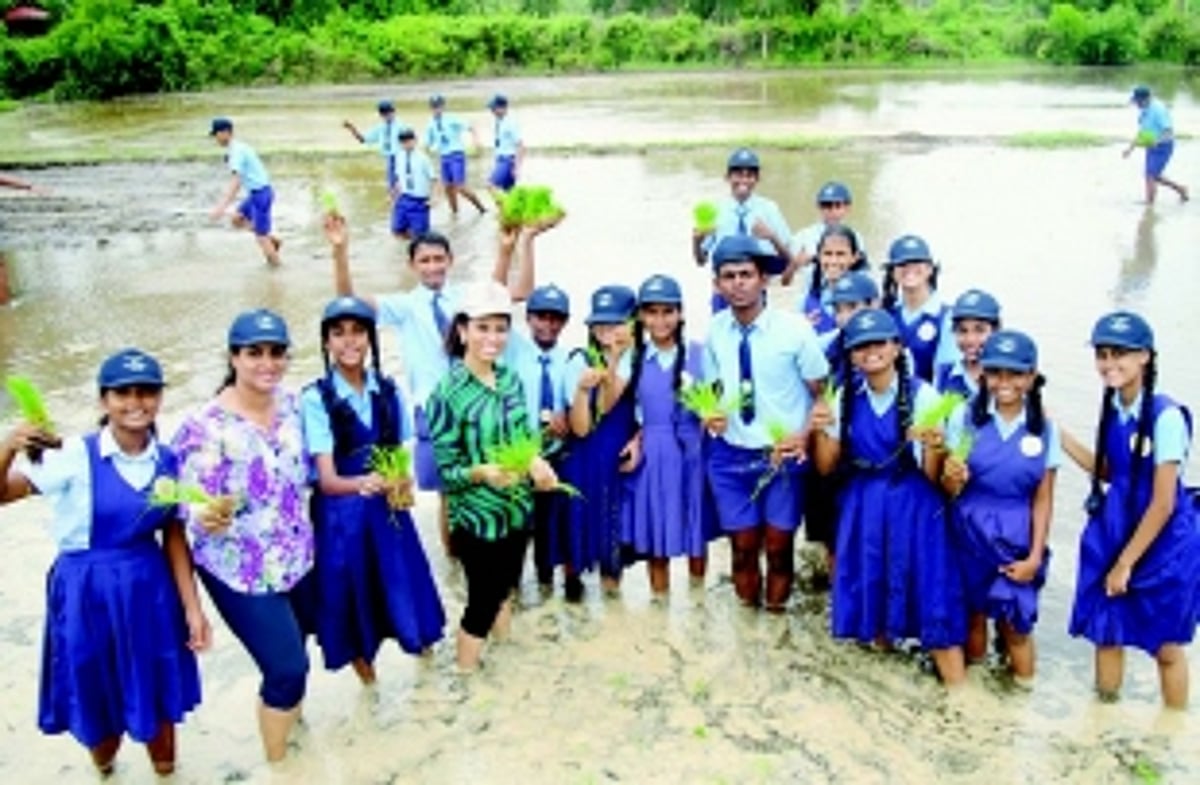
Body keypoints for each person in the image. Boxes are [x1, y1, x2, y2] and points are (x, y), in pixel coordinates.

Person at [0, 349, 208, 776]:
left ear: (160, 398)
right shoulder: (74, 455)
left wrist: (192, 608)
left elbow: (173, 533)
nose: (136, 402)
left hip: (149, 591)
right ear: (103, 400)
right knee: (97, 699)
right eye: (123, 393)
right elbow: (3, 494)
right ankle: (106, 771)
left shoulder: (168, 460)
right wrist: (8, 447)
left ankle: (167, 773)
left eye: (147, 392)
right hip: (84, 593)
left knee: (157, 699)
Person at [327, 214, 525, 557]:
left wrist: (505, 251)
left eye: (438, 259)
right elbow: (350, 304)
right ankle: (456, 564)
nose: (433, 266)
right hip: (433, 409)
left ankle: (494, 553)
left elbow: (496, 297)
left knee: (493, 477)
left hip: (477, 401)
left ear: (451, 260)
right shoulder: (404, 306)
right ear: (412, 265)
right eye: (425, 260)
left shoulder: (464, 296)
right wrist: (341, 252)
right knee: (450, 489)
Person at [172, 309, 316, 762]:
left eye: (276, 353)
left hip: (297, 558)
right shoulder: (203, 427)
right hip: (241, 570)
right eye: (254, 353)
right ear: (234, 356)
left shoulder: (295, 406)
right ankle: (280, 765)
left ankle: (292, 723)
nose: (266, 363)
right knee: (287, 669)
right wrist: (202, 515)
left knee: (299, 647)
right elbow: (179, 507)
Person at [811, 308, 967, 686]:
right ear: (850, 355)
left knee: (931, 592)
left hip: (913, 502)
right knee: (874, 586)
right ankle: (887, 680)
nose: (870, 352)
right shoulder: (844, 397)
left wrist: (936, 446)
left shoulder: (924, 395)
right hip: (863, 503)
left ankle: (959, 695)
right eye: (860, 347)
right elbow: (826, 467)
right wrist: (821, 428)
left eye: (879, 343)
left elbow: (932, 476)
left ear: (897, 347)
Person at [301, 296, 445, 685]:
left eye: (358, 331)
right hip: (340, 519)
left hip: (387, 510)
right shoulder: (316, 398)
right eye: (338, 333)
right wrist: (365, 483)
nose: (349, 341)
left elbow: (399, 452)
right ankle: (370, 686)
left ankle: (427, 674)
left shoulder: (389, 391)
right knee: (354, 597)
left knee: (407, 585)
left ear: (371, 338)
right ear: (326, 342)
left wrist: (402, 480)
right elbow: (327, 480)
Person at [1060, 311, 1200, 708]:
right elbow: (1113, 472)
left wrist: (1126, 563)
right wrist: (1061, 437)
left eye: (1120, 354)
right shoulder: (1115, 407)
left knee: (1166, 645)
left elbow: (1163, 501)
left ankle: (1170, 732)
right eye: (1102, 354)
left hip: (1164, 538)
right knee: (1107, 632)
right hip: (1116, 526)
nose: (1109, 363)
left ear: (1146, 357)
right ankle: (1104, 722)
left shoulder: (1165, 416)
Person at [425, 280, 559, 671]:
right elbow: (446, 473)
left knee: (506, 588)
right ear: (463, 330)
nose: (493, 337)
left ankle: (502, 659)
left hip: (516, 508)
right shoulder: (446, 394)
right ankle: (466, 678)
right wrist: (481, 473)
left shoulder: (511, 381)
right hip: (476, 518)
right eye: (483, 327)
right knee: (482, 600)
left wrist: (537, 462)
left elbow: (525, 439)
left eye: (500, 328)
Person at [702, 235, 829, 612]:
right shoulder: (713, 331)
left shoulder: (795, 330)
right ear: (717, 284)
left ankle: (774, 624)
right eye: (728, 276)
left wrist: (805, 436)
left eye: (746, 274)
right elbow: (711, 389)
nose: (738, 283)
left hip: (781, 457)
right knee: (741, 548)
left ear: (763, 280)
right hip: (730, 457)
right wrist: (708, 413)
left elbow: (822, 392)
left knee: (778, 547)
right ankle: (748, 629)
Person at [942, 330, 1056, 686]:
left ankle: (1022, 697)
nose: (1004, 382)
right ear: (983, 374)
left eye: (1015, 374)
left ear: (1031, 377)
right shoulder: (964, 417)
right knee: (973, 616)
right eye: (995, 373)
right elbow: (949, 487)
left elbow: (1043, 498)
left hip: (1017, 535)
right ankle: (978, 702)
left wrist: (1035, 556)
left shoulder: (1045, 428)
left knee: (1016, 623)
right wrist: (952, 476)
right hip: (968, 530)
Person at [619, 274, 712, 597]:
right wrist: (635, 439)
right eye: (652, 312)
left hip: (692, 451)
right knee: (657, 532)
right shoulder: (634, 359)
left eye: (667, 311)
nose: (660, 320)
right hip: (652, 451)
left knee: (694, 530)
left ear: (681, 313)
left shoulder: (700, 354)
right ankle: (660, 606)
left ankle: (698, 604)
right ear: (641, 316)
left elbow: (714, 404)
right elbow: (630, 413)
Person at [490, 222, 572, 590]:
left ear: (565, 322)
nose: (548, 324)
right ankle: (509, 592)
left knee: (548, 526)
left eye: (556, 318)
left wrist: (567, 417)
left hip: (555, 453)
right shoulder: (512, 348)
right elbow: (493, 298)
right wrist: (522, 243)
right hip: (516, 454)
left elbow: (579, 404)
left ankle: (546, 588)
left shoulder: (572, 357)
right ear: (528, 317)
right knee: (515, 528)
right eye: (541, 316)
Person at [561, 284, 639, 598]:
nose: (607, 330)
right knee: (578, 533)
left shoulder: (638, 359)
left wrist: (617, 360)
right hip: (585, 457)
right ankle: (571, 600)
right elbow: (581, 428)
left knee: (614, 539)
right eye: (600, 323)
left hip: (618, 456)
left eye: (616, 322)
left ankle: (612, 610)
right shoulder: (579, 361)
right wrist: (582, 390)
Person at [691, 148, 792, 311]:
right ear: (727, 177)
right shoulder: (715, 210)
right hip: (723, 292)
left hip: (756, 292)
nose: (743, 180)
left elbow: (789, 259)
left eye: (749, 175)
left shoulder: (769, 209)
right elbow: (700, 261)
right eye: (738, 174)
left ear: (757, 179)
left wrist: (772, 237)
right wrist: (696, 241)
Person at [880, 233, 956, 383]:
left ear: (929, 269)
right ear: (893, 272)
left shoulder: (947, 317)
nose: (909, 269)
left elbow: (945, 374)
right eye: (902, 264)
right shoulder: (886, 315)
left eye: (916, 262)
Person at [208, 117, 281, 266]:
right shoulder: (239, 147)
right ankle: (272, 239)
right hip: (257, 194)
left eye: (216, 134)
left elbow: (236, 182)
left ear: (226, 133)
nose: (215, 138)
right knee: (237, 219)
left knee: (261, 239)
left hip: (261, 195)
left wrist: (221, 208)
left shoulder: (237, 152)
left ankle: (277, 271)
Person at [785, 181, 863, 289]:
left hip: (845, 295)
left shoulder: (855, 237)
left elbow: (862, 275)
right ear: (818, 207)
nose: (832, 211)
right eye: (827, 206)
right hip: (811, 297)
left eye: (838, 205)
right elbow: (785, 282)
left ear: (847, 207)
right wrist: (794, 265)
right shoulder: (803, 237)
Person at [797, 225, 869, 336]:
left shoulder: (867, 296)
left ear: (855, 257)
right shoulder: (807, 298)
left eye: (841, 254)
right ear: (819, 256)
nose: (833, 261)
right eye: (828, 254)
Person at [1124, 85, 1189, 205]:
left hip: (1164, 146)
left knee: (1150, 175)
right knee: (1154, 175)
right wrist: (1130, 148)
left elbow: (1168, 131)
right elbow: (1143, 132)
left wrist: (1157, 141)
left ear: (1145, 99)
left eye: (1137, 101)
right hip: (1151, 146)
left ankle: (1149, 206)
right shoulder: (1144, 110)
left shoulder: (1158, 110)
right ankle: (1180, 189)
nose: (1136, 104)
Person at [424, 94, 487, 215]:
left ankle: (481, 208)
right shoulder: (431, 123)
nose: (436, 109)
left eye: (438, 106)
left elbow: (471, 127)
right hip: (443, 157)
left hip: (456, 154)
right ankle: (455, 213)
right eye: (433, 106)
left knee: (460, 186)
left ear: (443, 106)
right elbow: (429, 142)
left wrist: (476, 141)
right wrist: (427, 151)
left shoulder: (452, 118)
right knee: (448, 188)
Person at [935, 289, 1002, 398]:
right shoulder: (944, 375)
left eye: (979, 330)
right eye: (962, 331)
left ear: (996, 330)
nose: (970, 340)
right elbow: (937, 414)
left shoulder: (1007, 377)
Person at [343, 100, 404, 191]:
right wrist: (352, 129)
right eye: (384, 114)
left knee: (399, 187)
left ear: (393, 112)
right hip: (390, 159)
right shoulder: (380, 128)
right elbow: (363, 140)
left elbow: (411, 143)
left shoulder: (402, 127)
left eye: (389, 112)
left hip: (401, 158)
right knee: (392, 187)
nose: (387, 116)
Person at [391, 128, 438, 240]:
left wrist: (434, 198)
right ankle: (406, 251)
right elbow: (399, 178)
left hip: (420, 200)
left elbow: (434, 179)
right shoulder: (399, 156)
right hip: (404, 198)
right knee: (397, 230)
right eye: (403, 142)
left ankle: (417, 249)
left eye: (409, 140)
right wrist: (394, 196)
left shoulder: (423, 158)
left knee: (420, 234)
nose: (406, 144)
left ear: (415, 140)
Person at [487, 94, 524, 194]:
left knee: (491, 185)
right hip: (500, 159)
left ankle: (502, 208)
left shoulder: (510, 123)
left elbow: (520, 145)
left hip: (507, 160)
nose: (492, 111)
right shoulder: (499, 121)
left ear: (502, 107)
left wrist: (517, 167)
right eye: (491, 108)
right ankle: (509, 209)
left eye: (494, 108)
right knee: (509, 192)